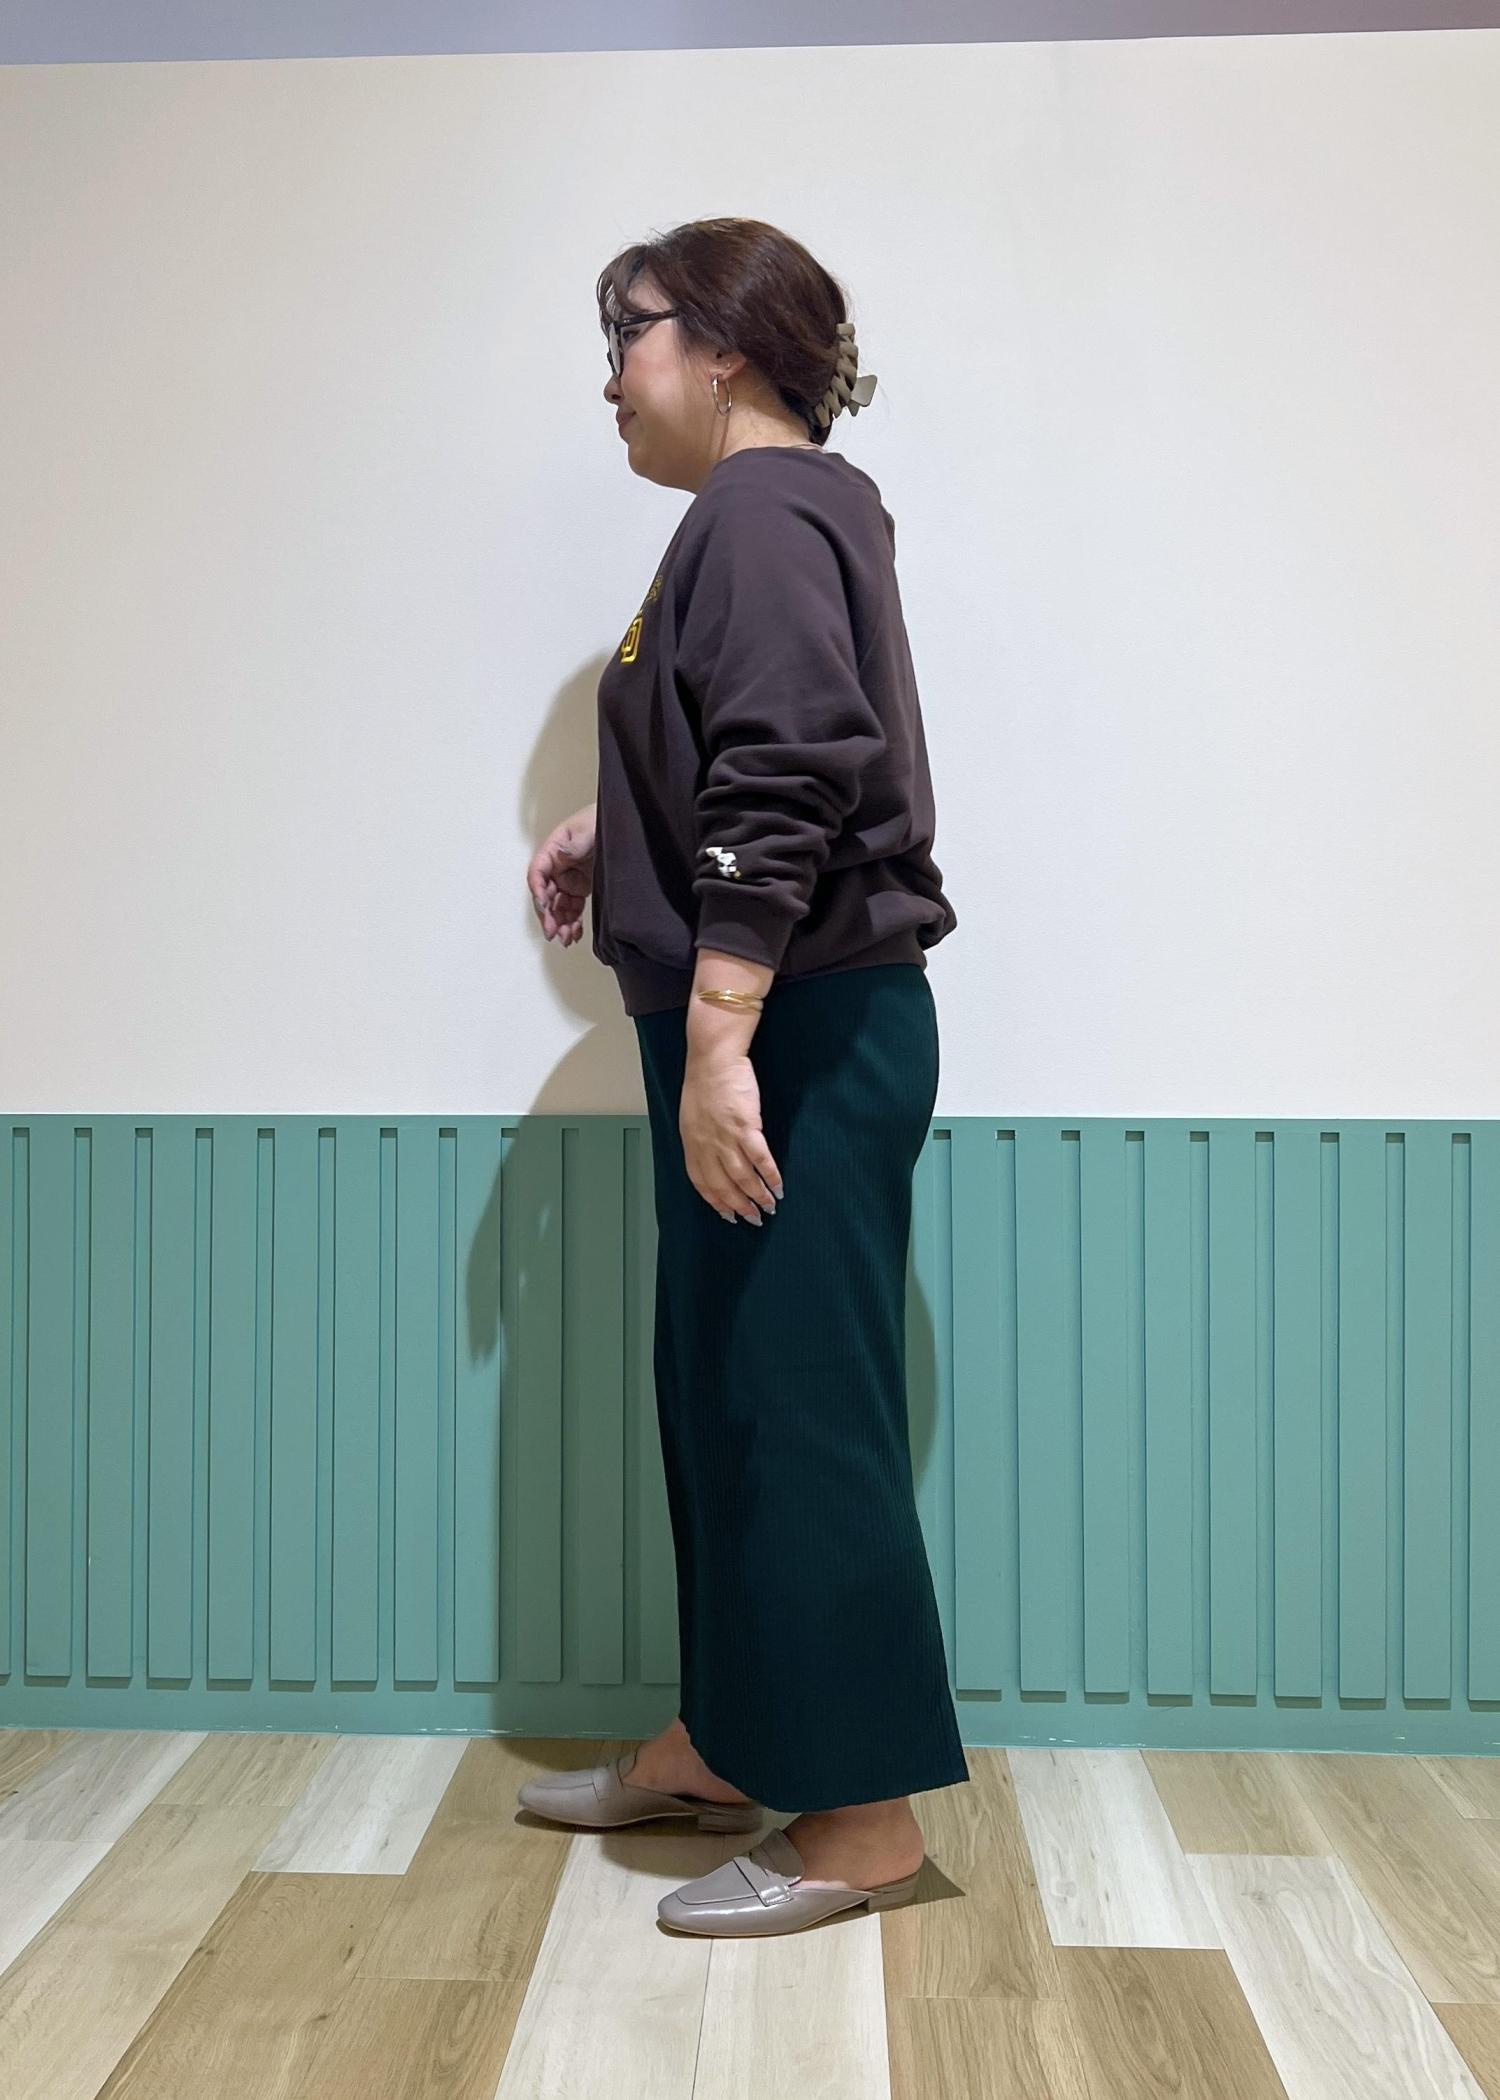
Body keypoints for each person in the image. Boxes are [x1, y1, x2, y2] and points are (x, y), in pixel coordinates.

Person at [522, 217, 969, 1938]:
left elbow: (792, 765)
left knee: (797, 1415)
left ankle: (862, 1828)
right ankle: (724, 1743)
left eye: (628, 336)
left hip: (799, 1031)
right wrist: (617, 827)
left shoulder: (766, 509)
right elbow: (749, 745)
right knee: (718, 1397)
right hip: (773, 1018)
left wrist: (721, 1041)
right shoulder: (760, 517)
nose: (610, 381)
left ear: (722, 344)